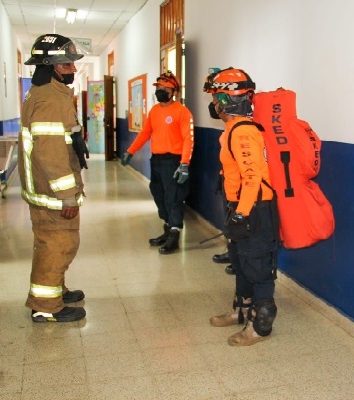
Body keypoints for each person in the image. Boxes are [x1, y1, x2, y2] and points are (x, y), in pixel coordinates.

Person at [204, 67, 280, 346]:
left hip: (255, 208)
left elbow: (253, 178)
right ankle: (241, 310)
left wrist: (240, 214)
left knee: (257, 266)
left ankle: (260, 326)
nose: (213, 104)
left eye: (215, 97)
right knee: (240, 261)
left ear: (226, 100)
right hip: (241, 205)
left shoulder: (243, 132)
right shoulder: (233, 129)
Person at [18, 33, 89, 323]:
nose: (73, 68)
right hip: (52, 191)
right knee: (58, 243)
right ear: (50, 66)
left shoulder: (50, 92)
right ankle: (46, 305)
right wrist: (67, 195)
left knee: (54, 242)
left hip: (46, 186)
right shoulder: (49, 98)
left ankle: (55, 290)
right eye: (66, 64)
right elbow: (50, 152)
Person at [120, 71, 194, 254]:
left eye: (165, 89)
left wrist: (184, 164)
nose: (160, 91)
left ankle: (174, 237)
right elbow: (145, 133)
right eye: (158, 88)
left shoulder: (182, 112)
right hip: (157, 161)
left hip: (174, 162)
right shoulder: (154, 111)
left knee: (174, 198)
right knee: (159, 195)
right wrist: (130, 151)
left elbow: (188, 139)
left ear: (174, 92)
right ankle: (167, 229)